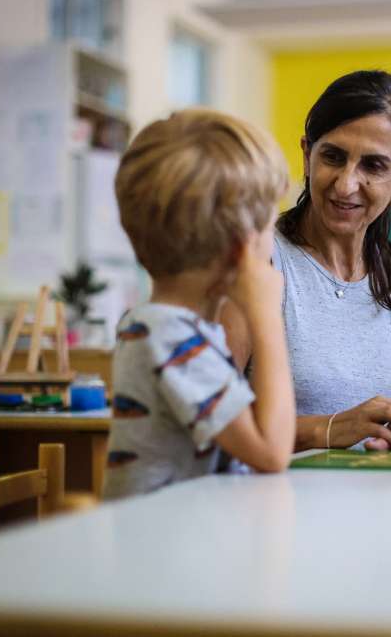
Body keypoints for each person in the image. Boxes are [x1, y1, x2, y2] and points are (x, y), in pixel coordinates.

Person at [222, 70, 391, 453]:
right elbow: (215, 417)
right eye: (333, 157)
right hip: (273, 503)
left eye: (373, 166)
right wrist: (330, 430)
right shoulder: (258, 263)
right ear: (307, 154)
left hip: (374, 504)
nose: (345, 184)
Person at [102, 109, 295, 499]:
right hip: (164, 546)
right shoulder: (168, 336)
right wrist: (266, 318)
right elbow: (271, 453)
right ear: (241, 248)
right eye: (270, 227)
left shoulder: (170, 327)